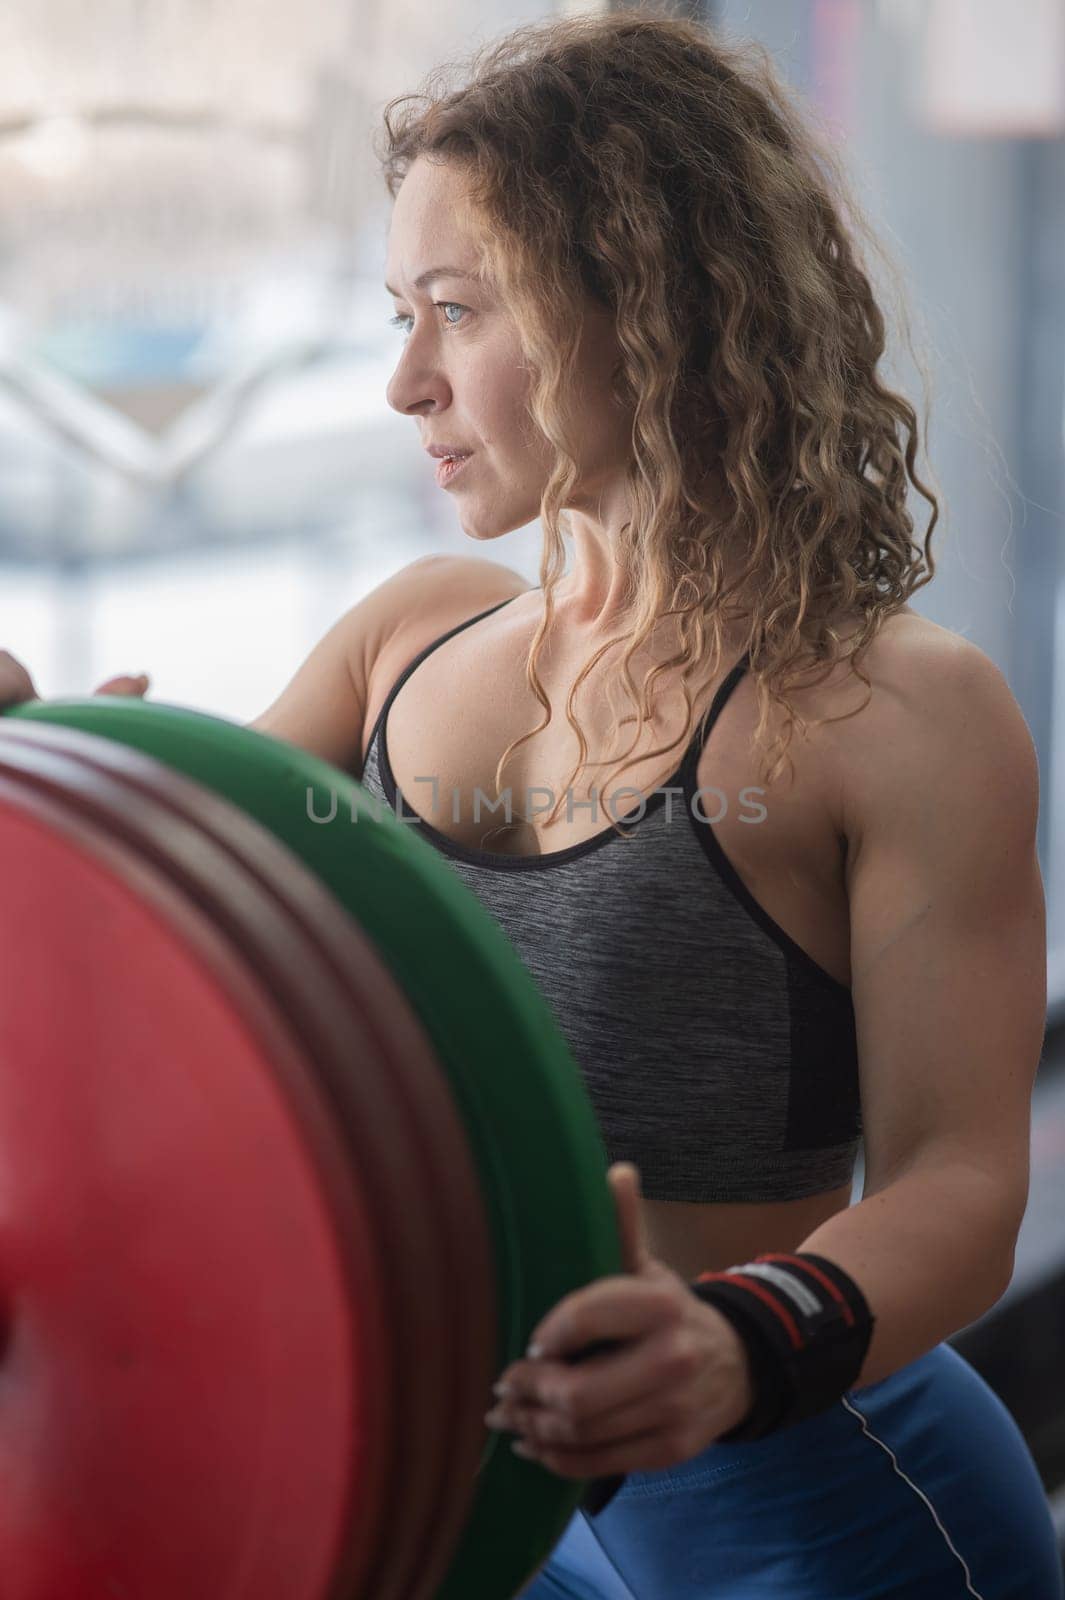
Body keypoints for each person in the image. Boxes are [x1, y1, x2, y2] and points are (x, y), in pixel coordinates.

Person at [0, 10, 1060, 1597]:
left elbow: (961, 1184)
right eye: (392, 313)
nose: (403, 383)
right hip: (482, 1492)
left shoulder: (893, 710)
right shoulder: (402, 637)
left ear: (649, 303)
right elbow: (160, 958)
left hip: (796, 1490)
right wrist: (44, 757)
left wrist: (725, 1342)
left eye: (454, 311)